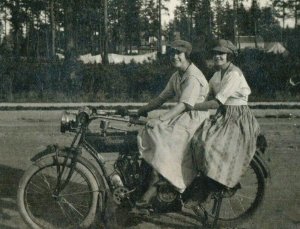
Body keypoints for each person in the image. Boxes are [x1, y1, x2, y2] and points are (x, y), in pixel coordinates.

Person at [136, 40, 209, 207]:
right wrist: (143, 109)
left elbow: (184, 104)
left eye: (178, 53)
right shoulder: (177, 75)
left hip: (194, 119)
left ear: (186, 55)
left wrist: (160, 119)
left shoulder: (192, 76)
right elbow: (162, 98)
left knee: (160, 134)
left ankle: (163, 181)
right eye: (171, 54)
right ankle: (152, 177)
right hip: (183, 116)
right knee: (151, 130)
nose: (174, 57)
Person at [191, 39, 260, 190]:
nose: (218, 56)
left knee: (209, 144)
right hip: (223, 116)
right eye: (215, 53)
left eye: (222, 54)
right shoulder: (217, 75)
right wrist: (188, 100)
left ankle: (216, 182)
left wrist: (191, 107)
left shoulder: (234, 74)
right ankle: (205, 177)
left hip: (237, 118)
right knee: (196, 138)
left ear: (229, 56)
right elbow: (205, 95)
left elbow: (217, 103)